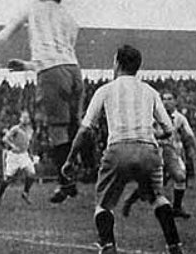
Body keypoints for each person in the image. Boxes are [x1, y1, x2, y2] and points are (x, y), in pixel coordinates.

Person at [62, 45, 184, 254]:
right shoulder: (150, 91)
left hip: (118, 150)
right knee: (158, 197)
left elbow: (85, 130)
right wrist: (150, 136)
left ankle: (108, 246)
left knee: (103, 205)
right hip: (148, 151)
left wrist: (70, 160)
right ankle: (174, 246)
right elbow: (169, 129)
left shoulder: (106, 90)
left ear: (117, 63)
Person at [0, 0, 83, 203]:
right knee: (75, 125)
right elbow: (62, 53)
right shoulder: (70, 18)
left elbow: (6, 33)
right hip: (74, 71)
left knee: (58, 130)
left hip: (51, 73)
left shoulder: (33, 8)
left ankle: (66, 182)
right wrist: (28, 65)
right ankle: (75, 170)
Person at [122, 91, 196, 219]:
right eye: (164, 99)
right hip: (154, 151)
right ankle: (130, 200)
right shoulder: (153, 116)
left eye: (170, 99)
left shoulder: (180, 118)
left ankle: (177, 207)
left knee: (180, 177)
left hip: (170, 152)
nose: (166, 102)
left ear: (175, 101)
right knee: (152, 185)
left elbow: (190, 136)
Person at [0, 110, 36, 205]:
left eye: (27, 118)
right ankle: (0, 194)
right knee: (8, 179)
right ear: (20, 119)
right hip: (13, 155)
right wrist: (12, 145)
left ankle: (25, 193)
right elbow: (5, 139)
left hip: (23, 154)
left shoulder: (30, 130)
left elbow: (28, 143)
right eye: (23, 117)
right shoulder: (15, 129)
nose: (25, 120)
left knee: (31, 174)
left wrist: (30, 154)